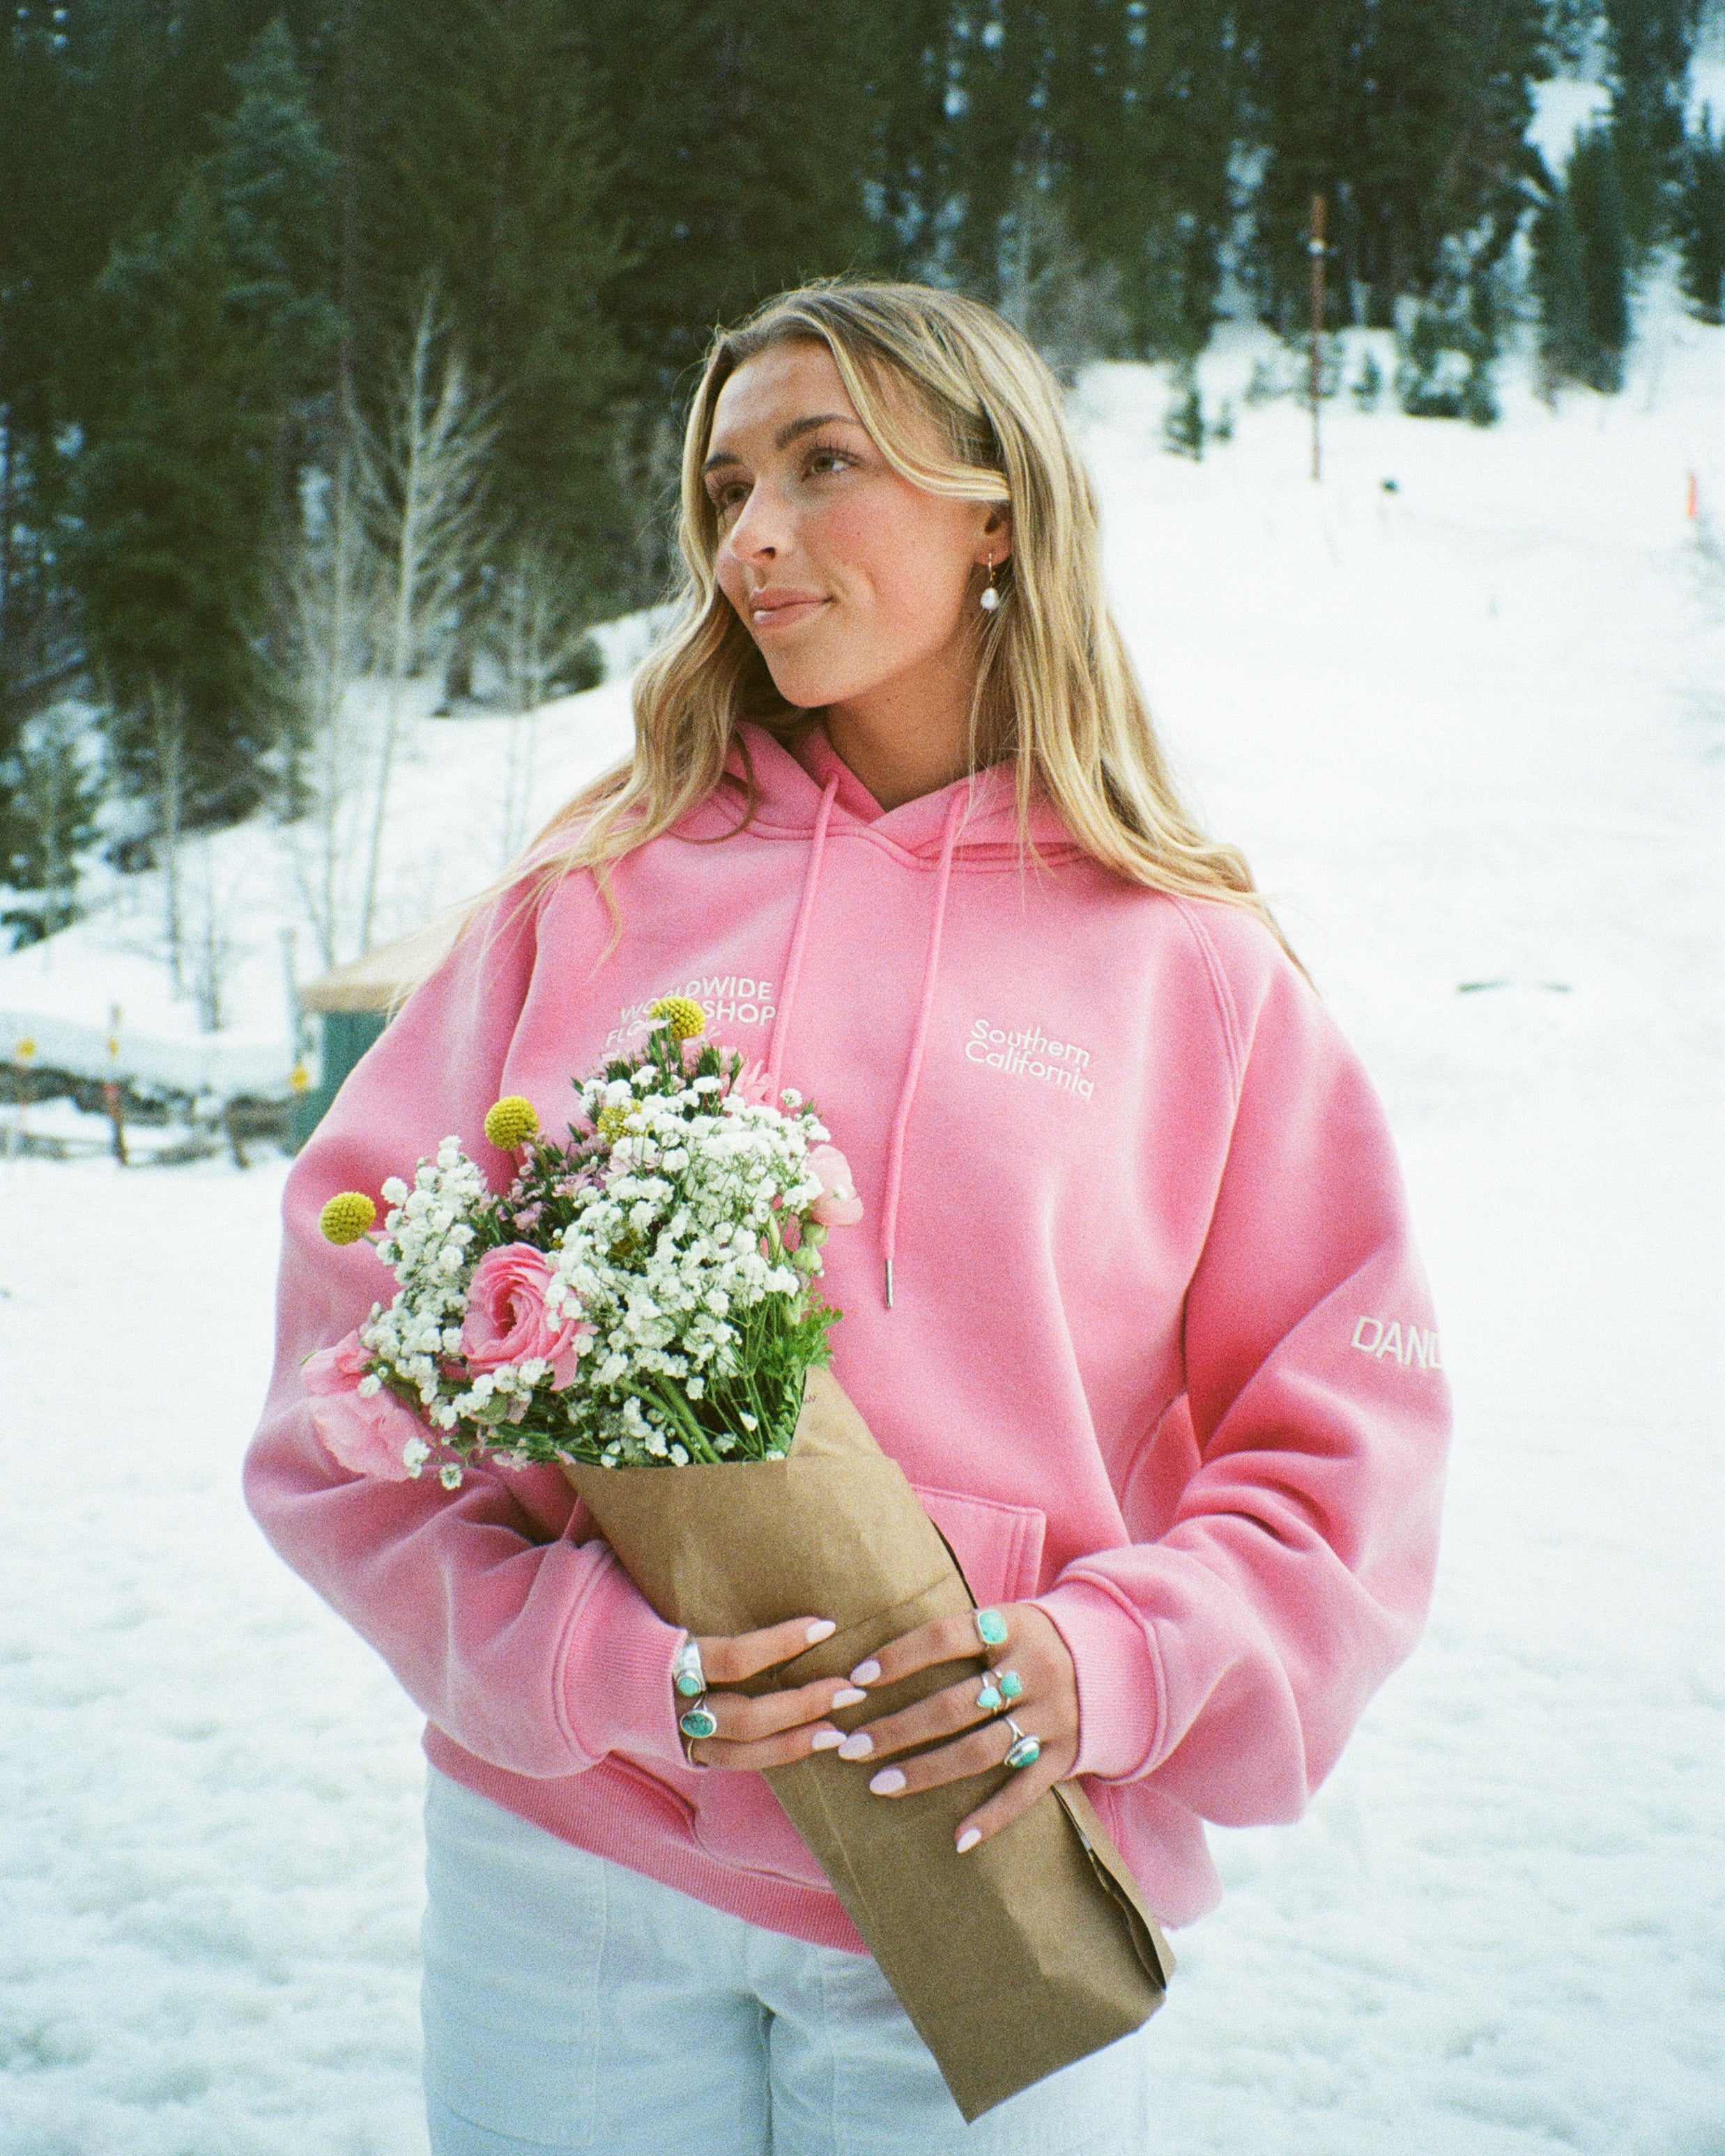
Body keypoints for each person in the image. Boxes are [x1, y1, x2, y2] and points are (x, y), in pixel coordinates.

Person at [246, 281, 1450, 2156]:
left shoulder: (1191, 969)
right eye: (724, 484)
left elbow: (1343, 1463)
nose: (750, 537)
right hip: (563, 1866)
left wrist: (1111, 1662)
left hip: (982, 1887)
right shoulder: (591, 902)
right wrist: (576, 1663)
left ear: (996, 513)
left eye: (825, 465)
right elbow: (346, 1353)